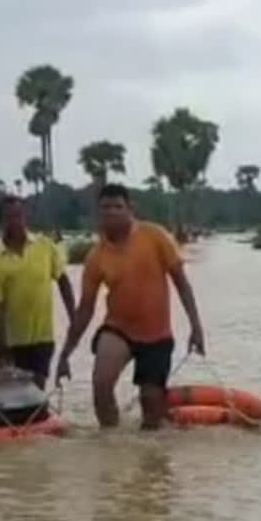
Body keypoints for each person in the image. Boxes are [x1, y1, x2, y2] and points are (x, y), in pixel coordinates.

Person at [55, 183, 205, 430]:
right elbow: (85, 310)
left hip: (157, 334)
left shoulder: (155, 236)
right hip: (118, 330)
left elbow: (181, 283)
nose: (111, 213)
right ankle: (111, 444)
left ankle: (149, 455)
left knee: (151, 407)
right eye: (105, 208)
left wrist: (196, 327)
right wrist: (65, 355)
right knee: (101, 384)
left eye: (117, 206)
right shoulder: (96, 257)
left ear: (130, 208)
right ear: (98, 213)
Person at [0, 195, 76, 389]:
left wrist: (74, 318)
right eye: (8, 217)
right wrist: (2, 347)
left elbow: (63, 282)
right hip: (13, 341)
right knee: (15, 392)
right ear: (0, 221)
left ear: (26, 217)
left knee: (36, 386)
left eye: (18, 215)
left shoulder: (45, 246)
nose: (14, 221)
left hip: (43, 336)